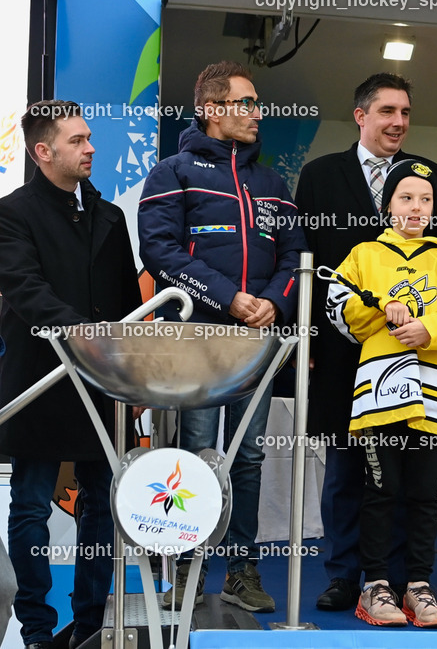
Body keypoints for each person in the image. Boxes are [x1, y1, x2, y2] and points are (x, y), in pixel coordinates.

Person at [138, 61, 305, 613]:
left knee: (250, 456)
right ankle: (185, 571)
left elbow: (294, 257)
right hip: (196, 343)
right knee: (195, 454)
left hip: (256, 344)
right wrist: (226, 297)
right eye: (245, 103)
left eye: (257, 103)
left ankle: (241, 570)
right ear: (211, 109)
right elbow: (160, 252)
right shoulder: (173, 172)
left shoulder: (273, 183)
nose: (257, 113)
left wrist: (274, 302)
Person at [294, 73, 437, 612]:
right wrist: (312, 340)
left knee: (408, 473)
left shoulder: (430, 175)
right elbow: (307, 263)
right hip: (344, 354)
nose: (399, 122)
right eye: (388, 111)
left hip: (414, 357)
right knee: (347, 467)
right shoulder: (321, 175)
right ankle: (347, 574)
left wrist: (429, 329)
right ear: (361, 115)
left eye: (406, 112)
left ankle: (395, 579)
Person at [0, 100, 142, 649]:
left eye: (89, 138)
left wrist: (130, 372)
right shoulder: (12, 213)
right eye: (78, 140)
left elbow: (129, 305)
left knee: (102, 502)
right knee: (30, 503)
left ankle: (89, 627)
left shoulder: (111, 217)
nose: (90, 148)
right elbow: (24, 289)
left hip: (102, 383)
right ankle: (35, 630)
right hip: (37, 377)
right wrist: (86, 334)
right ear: (43, 152)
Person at [326, 160, 437, 628]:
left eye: (425, 200)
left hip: (433, 394)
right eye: (406, 198)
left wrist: (430, 328)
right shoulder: (365, 254)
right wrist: (380, 309)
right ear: (388, 205)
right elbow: (337, 306)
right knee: (380, 490)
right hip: (378, 394)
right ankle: (376, 584)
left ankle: (420, 586)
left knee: (425, 494)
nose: (417, 207)